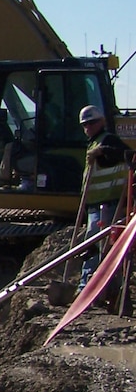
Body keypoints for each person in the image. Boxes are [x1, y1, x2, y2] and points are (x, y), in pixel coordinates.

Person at [78, 104, 130, 289]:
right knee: (93, 244)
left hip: (108, 204)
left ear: (102, 121)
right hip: (95, 204)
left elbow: (127, 154)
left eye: (92, 123)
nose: (88, 127)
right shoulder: (93, 142)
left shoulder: (108, 140)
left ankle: (88, 287)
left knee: (96, 243)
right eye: (85, 125)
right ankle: (94, 286)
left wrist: (103, 151)